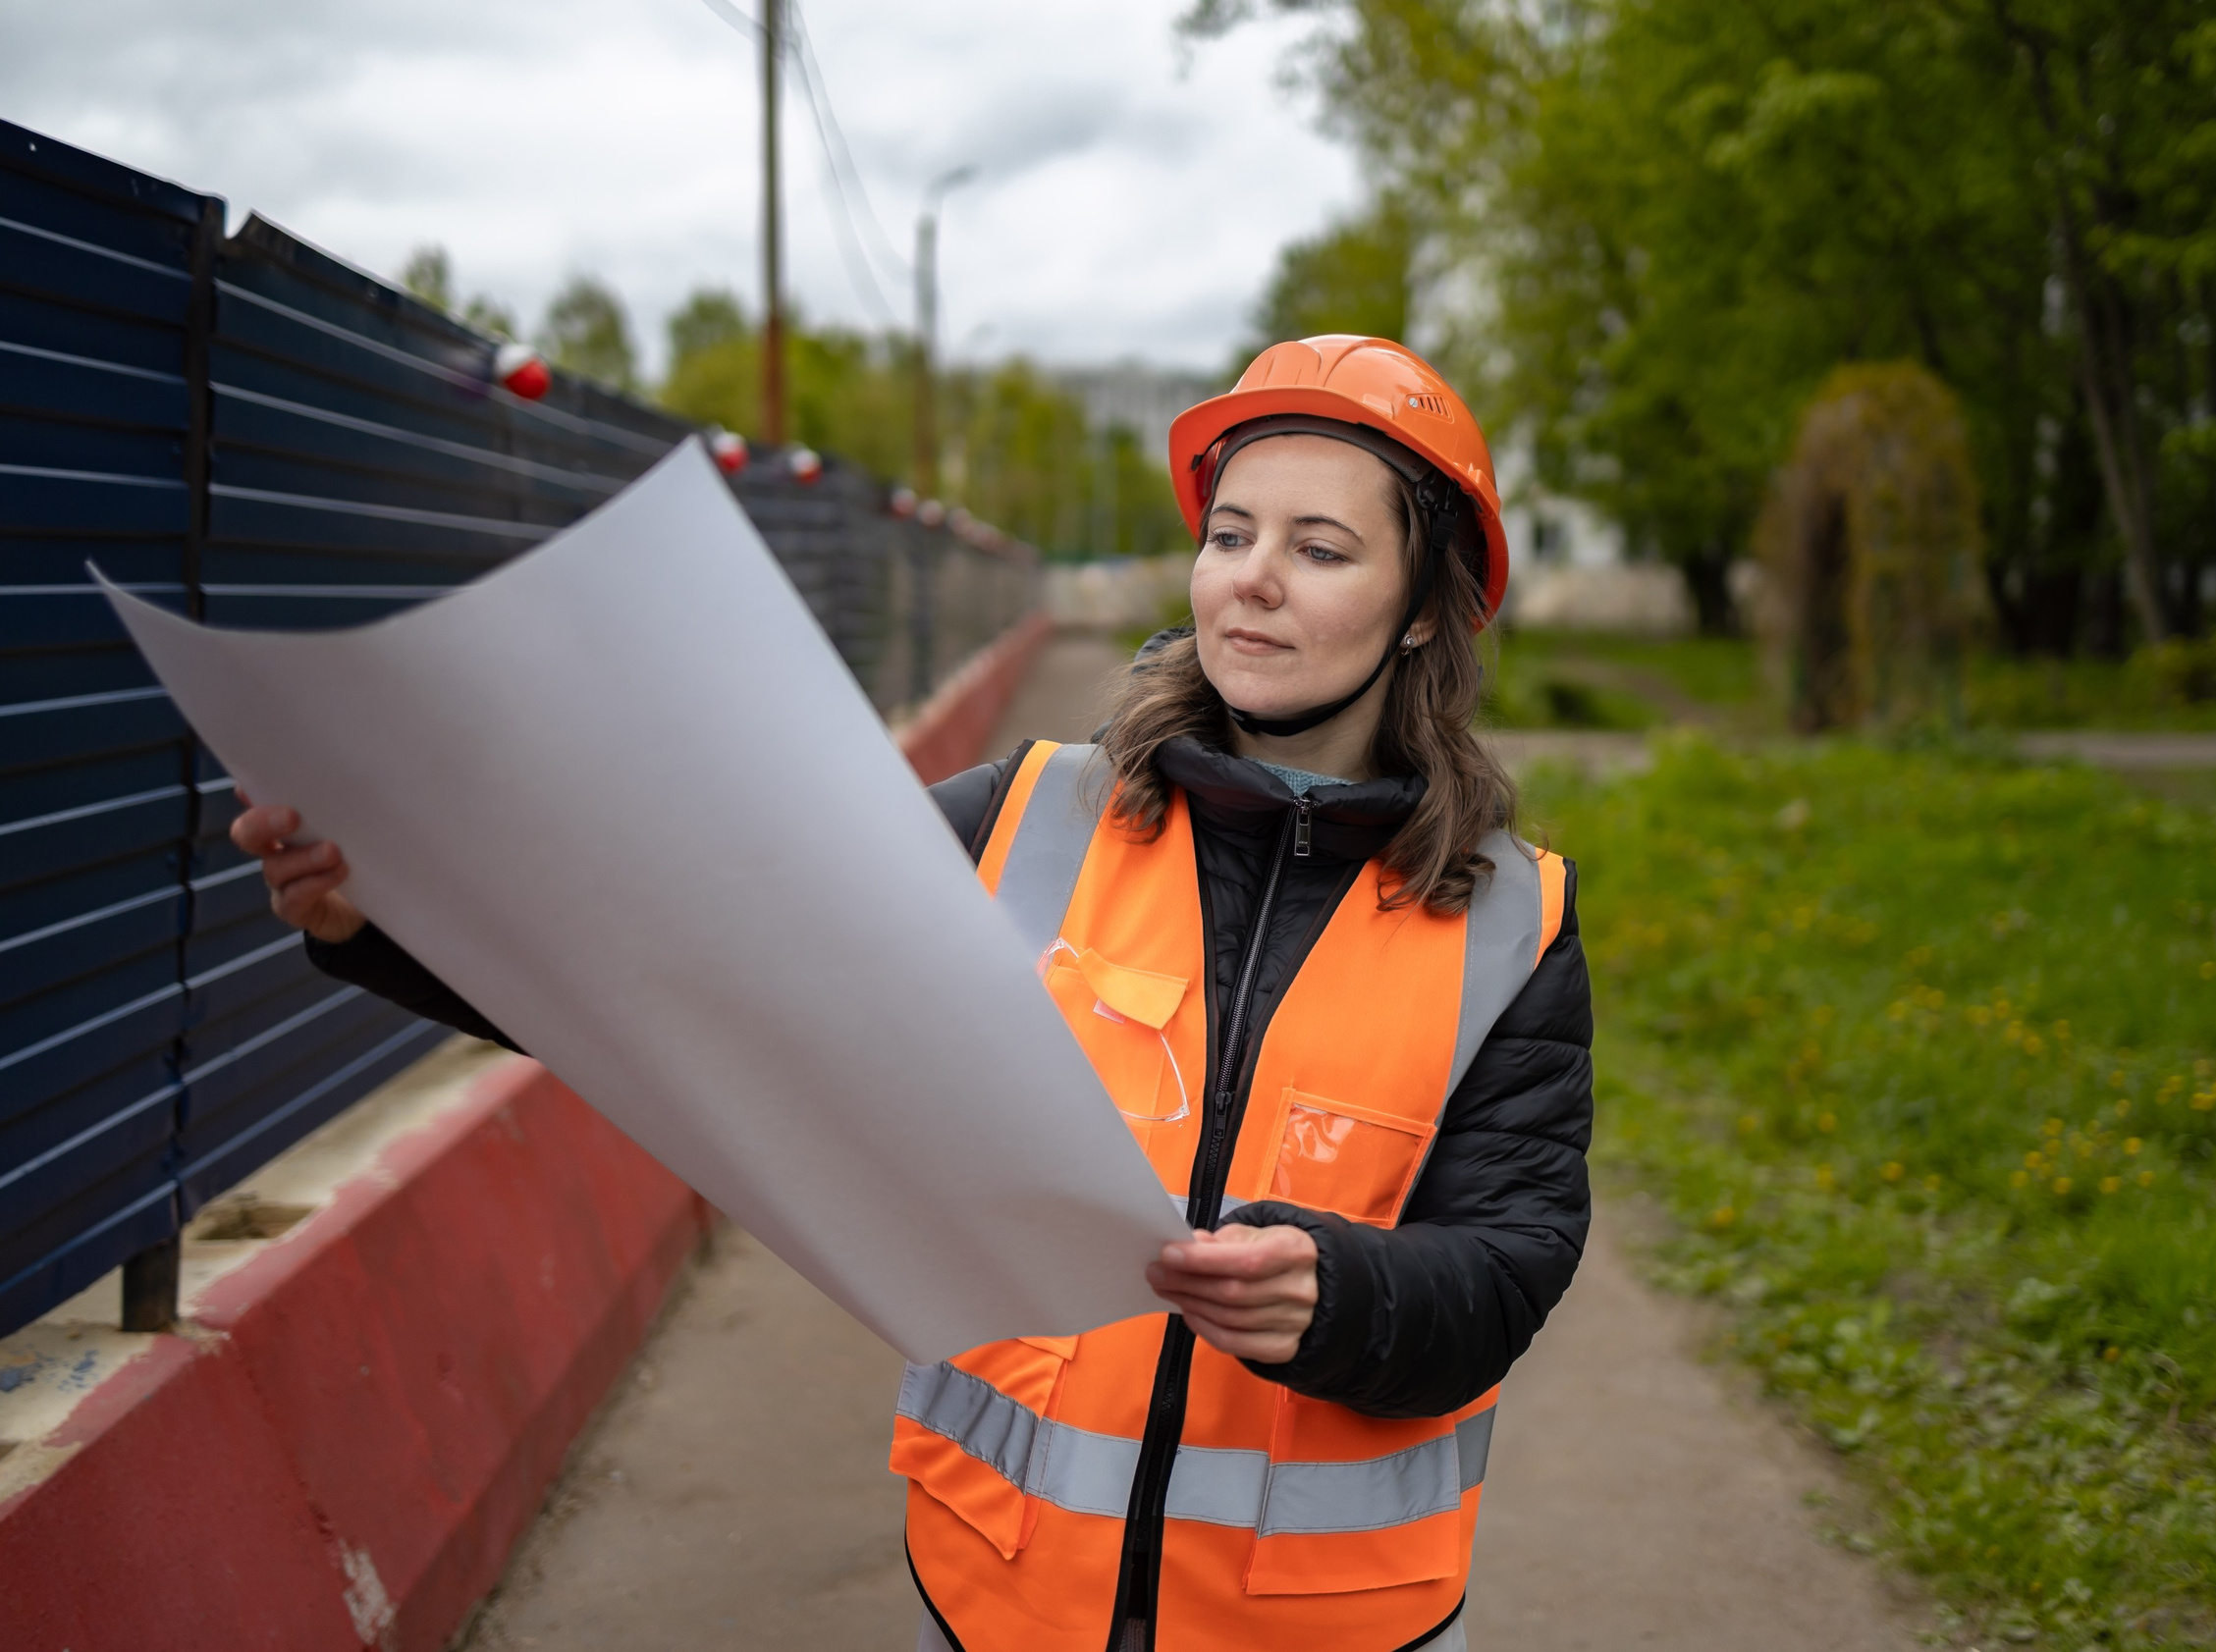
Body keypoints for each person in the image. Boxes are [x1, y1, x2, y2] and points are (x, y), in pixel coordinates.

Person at [234, 335, 1593, 1652]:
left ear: (1424, 606)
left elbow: (1512, 1259)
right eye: (1230, 534)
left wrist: (1342, 1296)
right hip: (1001, 1598)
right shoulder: (1029, 819)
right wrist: (388, 911)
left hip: (1325, 1627)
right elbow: (689, 961)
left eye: (1320, 549)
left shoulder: (1507, 921)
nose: (1252, 581)